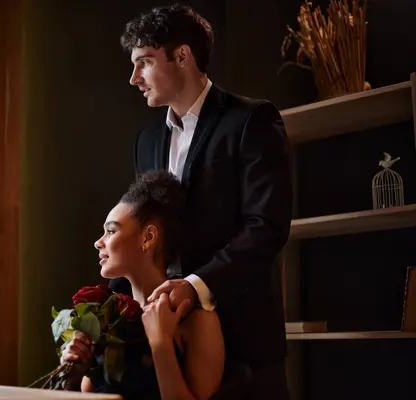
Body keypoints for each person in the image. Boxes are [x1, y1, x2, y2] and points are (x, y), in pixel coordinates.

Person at [114, 4, 293, 399]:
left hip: (245, 343)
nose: (133, 79)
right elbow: (146, 234)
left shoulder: (251, 120)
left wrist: (197, 286)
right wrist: (113, 317)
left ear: (183, 56)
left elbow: (267, 226)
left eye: (143, 63)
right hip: (172, 341)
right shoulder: (146, 142)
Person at [61, 170, 225, 399]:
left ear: (148, 236)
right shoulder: (109, 319)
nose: (99, 242)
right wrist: (73, 373)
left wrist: (160, 344)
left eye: (111, 231)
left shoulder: (198, 322)